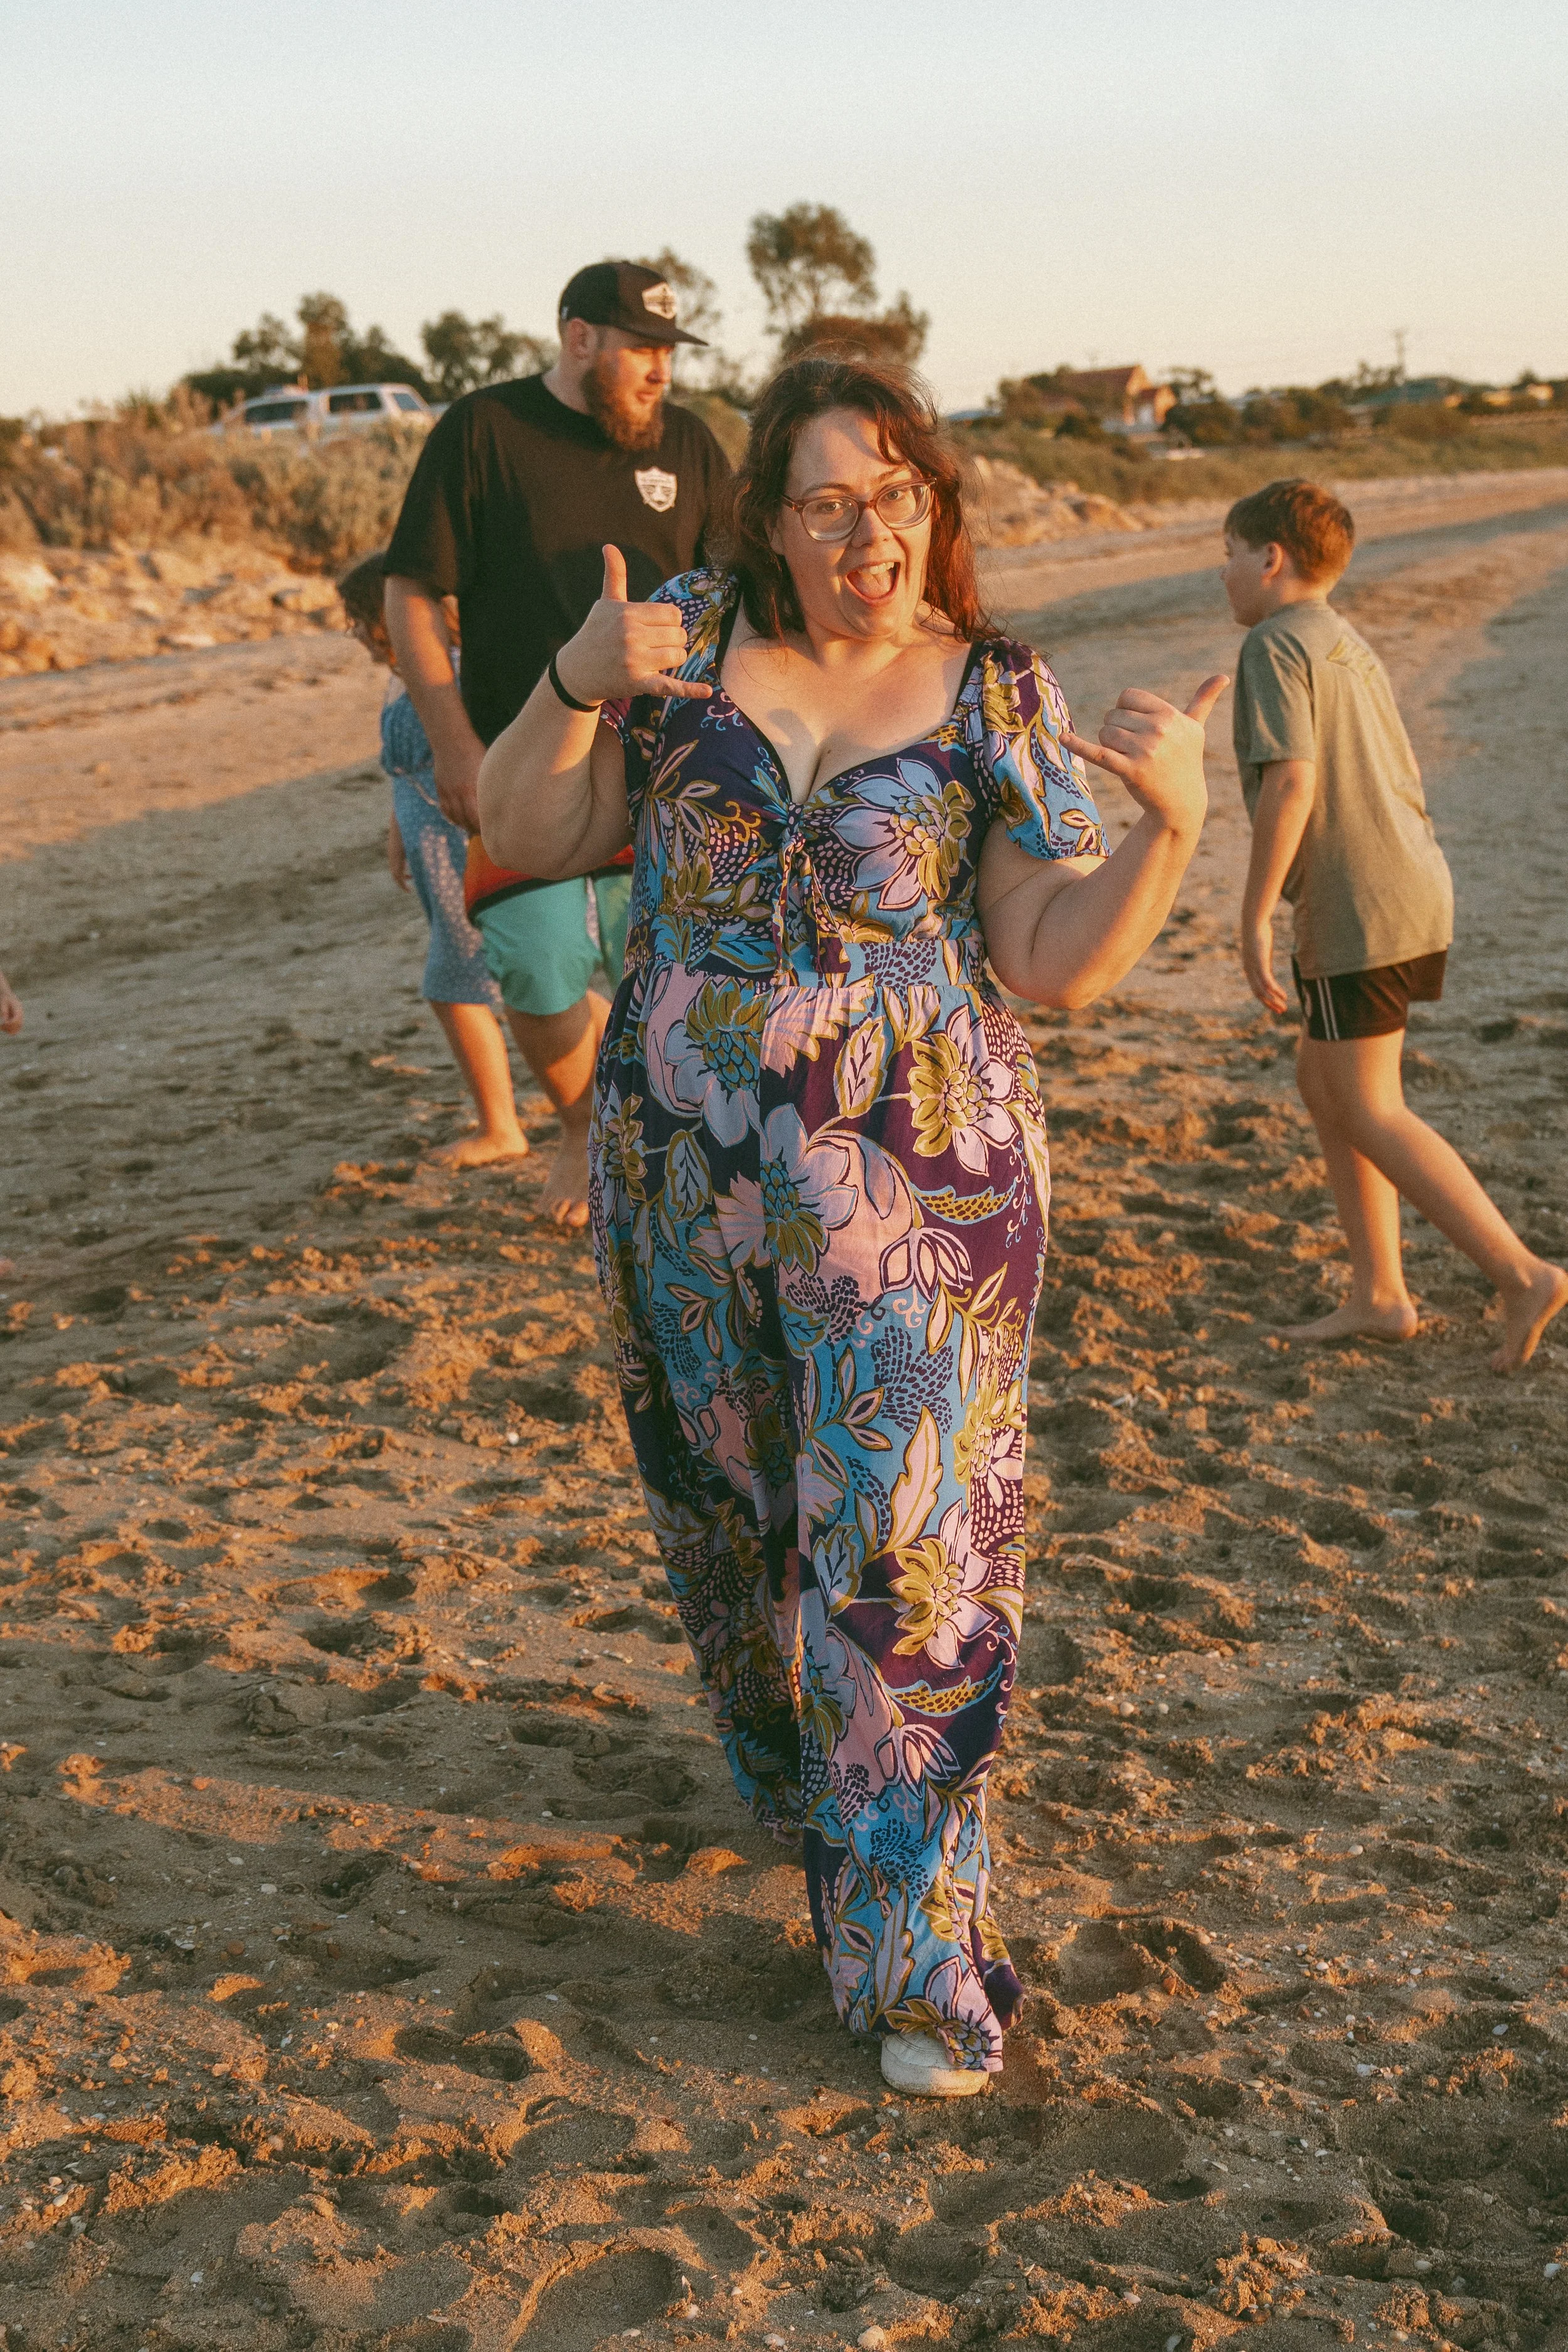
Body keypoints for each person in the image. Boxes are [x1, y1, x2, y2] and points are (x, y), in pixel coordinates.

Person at [477, 354, 1225, 2096]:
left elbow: (1051, 954)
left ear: (931, 510)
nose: (862, 528)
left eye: (893, 491)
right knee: (733, 1498)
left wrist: (1172, 831)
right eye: (824, 497)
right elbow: (519, 826)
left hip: (923, 1189)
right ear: (769, 517)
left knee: (903, 1540)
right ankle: (791, 1774)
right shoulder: (672, 653)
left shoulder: (989, 691)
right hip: (683, 1173)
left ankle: (914, 1959)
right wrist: (571, 684)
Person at [384, 260, 732, 1226]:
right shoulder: (482, 432)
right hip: (521, 757)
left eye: (670, 352)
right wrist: (455, 746)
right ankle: (582, 1129)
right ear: (580, 338)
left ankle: (668, 1146)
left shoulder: (693, 445)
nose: (662, 371)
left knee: (658, 965)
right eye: (644, 350)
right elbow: (411, 590)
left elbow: (737, 589)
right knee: (534, 966)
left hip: (666, 763)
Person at [1222, 477, 1567, 1373]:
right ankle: (1381, 1294)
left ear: (1270, 557)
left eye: (1227, 555)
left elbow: (1293, 783)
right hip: (1409, 885)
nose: (1222, 574)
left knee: (1370, 1103)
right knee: (1323, 1075)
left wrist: (1257, 913)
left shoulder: (1271, 644)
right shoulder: (1345, 639)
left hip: (1357, 901)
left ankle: (1521, 1273)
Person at [337, 552, 529, 1168]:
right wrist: (398, 831)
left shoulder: (449, 669)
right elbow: (411, 768)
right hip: (431, 849)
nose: (355, 633)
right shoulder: (407, 675)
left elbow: (474, 755)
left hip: (461, 848)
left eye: (357, 618)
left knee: (465, 983)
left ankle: (501, 1128)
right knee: (493, 978)